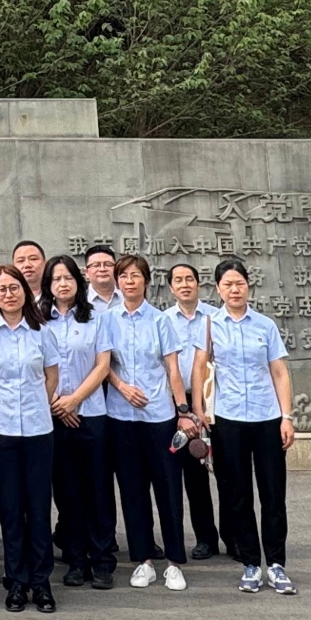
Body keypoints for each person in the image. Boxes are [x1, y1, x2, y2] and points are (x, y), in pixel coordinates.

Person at [191, 259, 297, 596]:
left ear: (248, 286)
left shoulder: (265, 325)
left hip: (266, 418)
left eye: (239, 283)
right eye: (227, 284)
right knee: (236, 494)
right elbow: (200, 367)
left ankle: (276, 564)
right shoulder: (210, 324)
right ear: (218, 289)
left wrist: (286, 416)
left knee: (272, 494)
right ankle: (251, 562)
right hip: (228, 419)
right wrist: (198, 410)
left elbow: (279, 371)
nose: (234, 290)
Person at [103, 253, 193, 593]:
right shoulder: (107, 320)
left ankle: (174, 562)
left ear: (146, 281)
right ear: (117, 282)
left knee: (168, 488)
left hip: (158, 416)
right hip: (121, 416)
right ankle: (143, 560)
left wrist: (182, 410)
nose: (129, 281)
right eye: (124, 276)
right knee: (132, 489)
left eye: (136, 275)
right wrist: (122, 387)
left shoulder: (160, 320)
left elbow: (173, 369)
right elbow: (103, 365)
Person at [0, 265, 60, 614]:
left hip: (39, 430)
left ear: (25, 291)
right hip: (1, 430)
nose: (8, 295)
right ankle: (17, 581)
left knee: (38, 507)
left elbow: (51, 376)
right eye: (1, 290)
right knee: (10, 508)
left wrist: (38, 403)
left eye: (14, 288)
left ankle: (41, 582)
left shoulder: (42, 332)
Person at [42, 254, 115, 589]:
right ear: (48, 284)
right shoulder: (38, 321)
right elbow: (37, 367)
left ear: (78, 281)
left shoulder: (96, 318)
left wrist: (74, 400)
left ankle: (102, 561)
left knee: (98, 490)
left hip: (92, 414)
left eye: (68, 278)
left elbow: (103, 366)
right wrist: (58, 403)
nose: (62, 284)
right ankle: (75, 560)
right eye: (56, 279)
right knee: (67, 492)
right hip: (54, 416)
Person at [162, 261, 222, 560]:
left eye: (189, 279)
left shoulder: (215, 317)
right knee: (192, 474)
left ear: (199, 284)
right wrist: (182, 408)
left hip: (212, 401)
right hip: (176, 402)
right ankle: (205, 538)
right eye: (178, 280)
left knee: (224, 472)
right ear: (171, 288)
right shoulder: (163, 320)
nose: (184, 285)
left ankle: (236, 537)